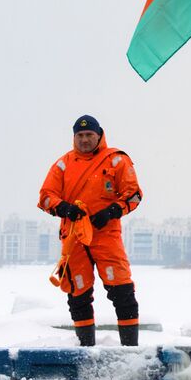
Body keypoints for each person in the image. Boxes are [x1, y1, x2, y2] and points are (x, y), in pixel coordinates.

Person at [38, 115, 143, 347]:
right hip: (74, 238)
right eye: (80, 135)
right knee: (78, 294)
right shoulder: (62, 165)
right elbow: (46, 197)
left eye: (89, 135)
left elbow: (134, 194)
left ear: (99, 135)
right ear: (74, 137)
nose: (85, 139)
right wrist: (64, 208)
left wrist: (112, 211)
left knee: (122, 291)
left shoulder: (116, 160)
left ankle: (130, 351)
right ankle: (85, 349)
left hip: (106, 236)